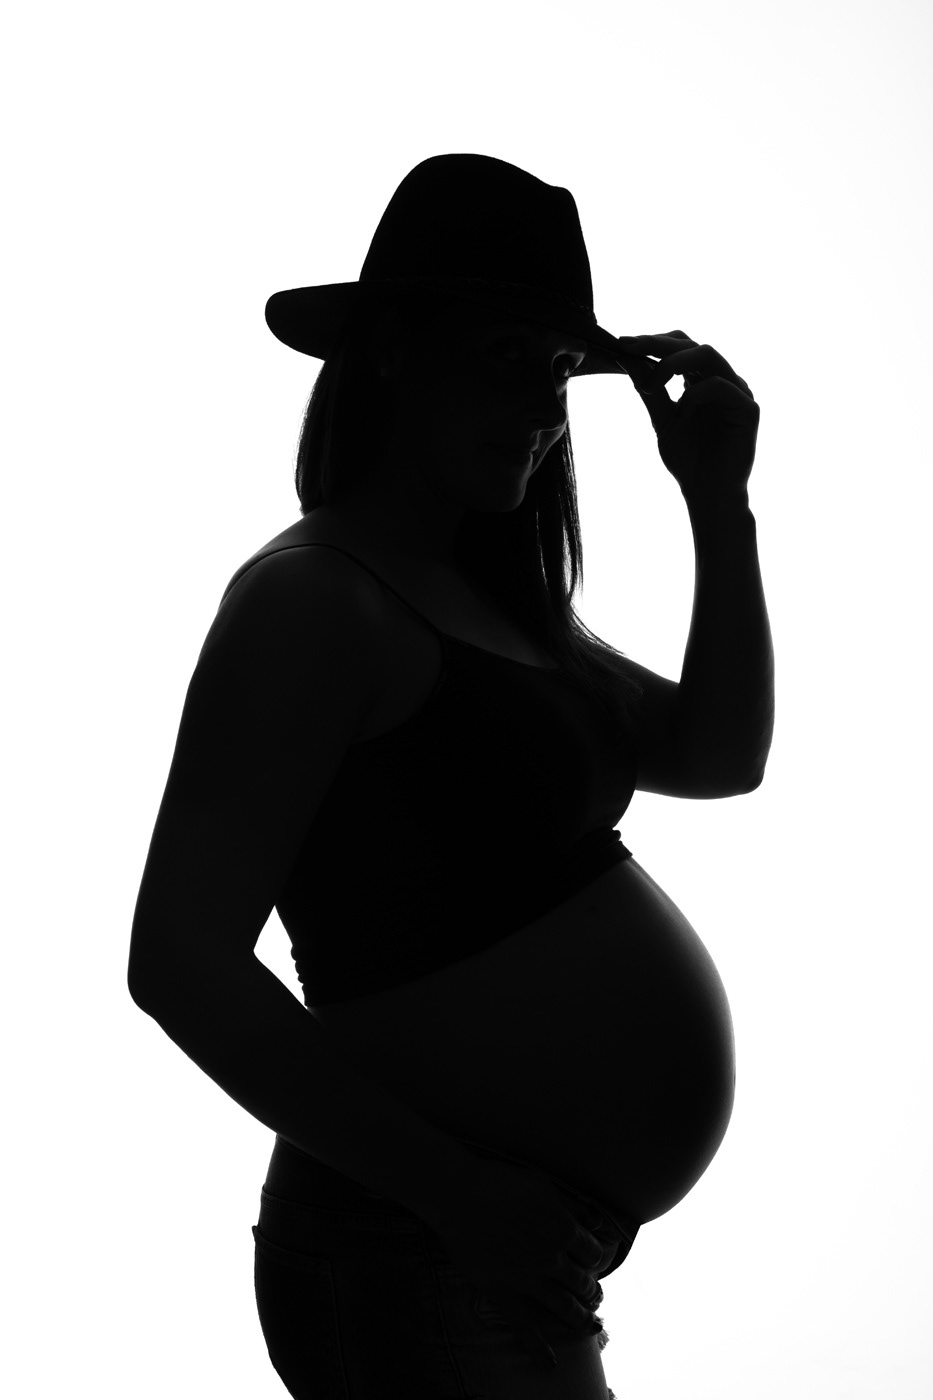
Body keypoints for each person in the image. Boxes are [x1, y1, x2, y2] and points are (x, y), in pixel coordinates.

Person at [127, 153, 774, 1400]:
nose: (541, 404)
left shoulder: (506, 612)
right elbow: (178, 961)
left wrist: (719, 502)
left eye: (558, 366)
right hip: (413, 1241)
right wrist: (456, 1191)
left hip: (500, 1252)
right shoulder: (314, 602)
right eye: (502, 356)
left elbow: (720, 753)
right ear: (390, 352)